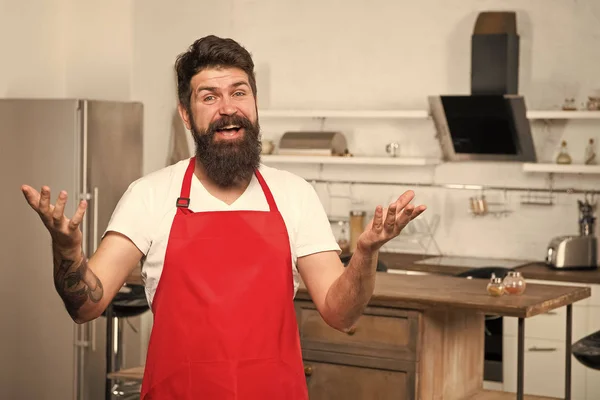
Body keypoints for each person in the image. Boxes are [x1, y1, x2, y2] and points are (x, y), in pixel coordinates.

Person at [21, 35, 427, 399]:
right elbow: (86, 306)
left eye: (239, 92)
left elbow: (341, 314)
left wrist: (365, 254)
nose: (227, 108)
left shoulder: (294, 195)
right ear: (186, 113)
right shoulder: (150, 195)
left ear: (254, 103)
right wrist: (67, 249)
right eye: (209, 97)